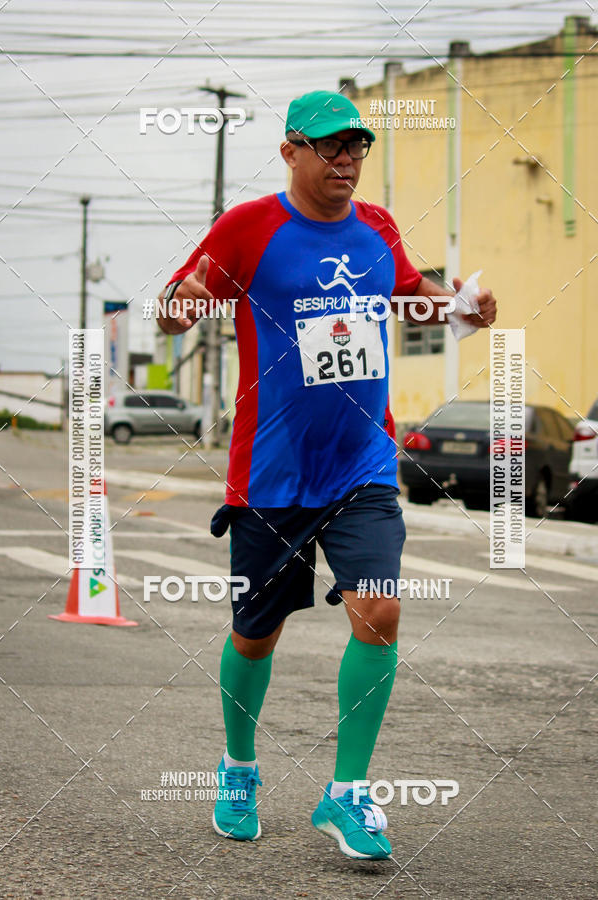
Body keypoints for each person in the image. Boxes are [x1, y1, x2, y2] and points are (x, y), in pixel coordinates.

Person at [157, 89, 497, 860]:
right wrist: (181, 304)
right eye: (330, 146)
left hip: (363, 464)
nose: (346, 160)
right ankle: (239, 768)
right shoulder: (249, 227)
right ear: (291, 151)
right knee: (255, 634)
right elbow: (180, 306)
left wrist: (466, 309)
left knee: (379, 613)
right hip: (273, 473)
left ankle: (346, 794)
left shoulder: (377, 227)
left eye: (357, 147)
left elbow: (416, 302)